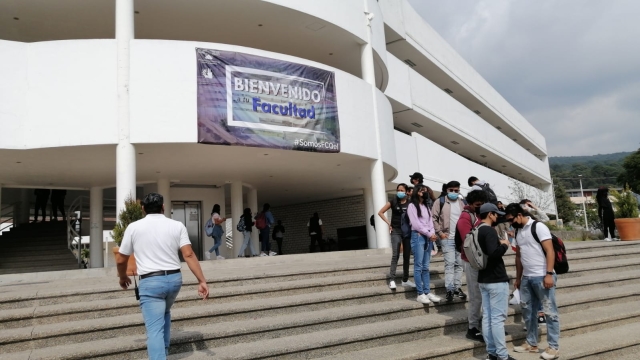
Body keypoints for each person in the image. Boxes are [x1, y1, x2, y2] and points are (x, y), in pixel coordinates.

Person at [116, 193, 209, 360]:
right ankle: (164, 351)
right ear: (163, 207)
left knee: (154, 330)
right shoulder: (177, 225)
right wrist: (201, 281)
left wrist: (122, 277)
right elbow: (188, 254)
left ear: (142, 208)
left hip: (151, 283)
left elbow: (121, 259)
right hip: (174, 280)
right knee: (165, 312)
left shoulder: (134, 227)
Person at [505, 203, 561, 360]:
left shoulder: (538, 227)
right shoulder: (517, 230)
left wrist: (548, 274)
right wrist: (518, 278)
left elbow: (550, 250)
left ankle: (553, 347)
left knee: (550, 312)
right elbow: (518, 256)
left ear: (519, 215)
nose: (511, 223)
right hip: (527, 278)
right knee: (528, 311)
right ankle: (531, 342)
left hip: (542, 275)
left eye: (511, 219)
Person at [477, 203, 515, 360]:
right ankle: (502, 355)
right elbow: (493, 254)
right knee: (498, 320)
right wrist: (505, 245)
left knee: (487, 318)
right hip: (496, 279)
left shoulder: (476, 230)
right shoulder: (489, 231)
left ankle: (492, 353)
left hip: (483, 278)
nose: (498, 216)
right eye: (496, 214)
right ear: (490, 214)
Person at [455, 189, 487, 342]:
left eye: (482, 204)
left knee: (485, 295)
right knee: (475, 295)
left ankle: (487, 326)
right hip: (471, 260)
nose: (480, 207)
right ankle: (472, 327)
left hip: (484, 260)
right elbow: (468, 241)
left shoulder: (481, 215)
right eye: (477, 205)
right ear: (470, 204)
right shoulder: (465, 217)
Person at [432, 180, 467, 302]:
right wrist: (440, 233)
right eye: (451, 190)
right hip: (447, 237)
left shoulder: (462, 203)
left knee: (459, 265)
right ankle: (450, 289)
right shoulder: (440, 202)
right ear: (447, 190)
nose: (453, 192)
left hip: (460, 239)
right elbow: (434, 218)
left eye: (456, 190)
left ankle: (457, 288)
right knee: (450, 263)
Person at [407, 184, 442, 305]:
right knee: (418, 266)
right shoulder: (412, 206)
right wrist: (429, 234)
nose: (424, 193)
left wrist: (432, 233)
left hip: (427, 237)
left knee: (426, 267)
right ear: (417, 192)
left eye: (426, 191)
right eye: (422, 191)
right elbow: (416, 224)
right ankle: (420, 293)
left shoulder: (426, 206)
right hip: (418, 236)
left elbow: (430, 222)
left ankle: (427, 292)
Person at [377, 183, 415, 290]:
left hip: (407, 232)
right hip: (396, 231)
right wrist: (389, 223)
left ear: (407, 192)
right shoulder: (393, 201)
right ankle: (392, 280)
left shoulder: (410, 203)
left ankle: (405, 280)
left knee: (407, 256)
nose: (399, 192)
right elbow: (380, 212)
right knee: (395, 255)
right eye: (398, 190)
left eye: (402, 190)